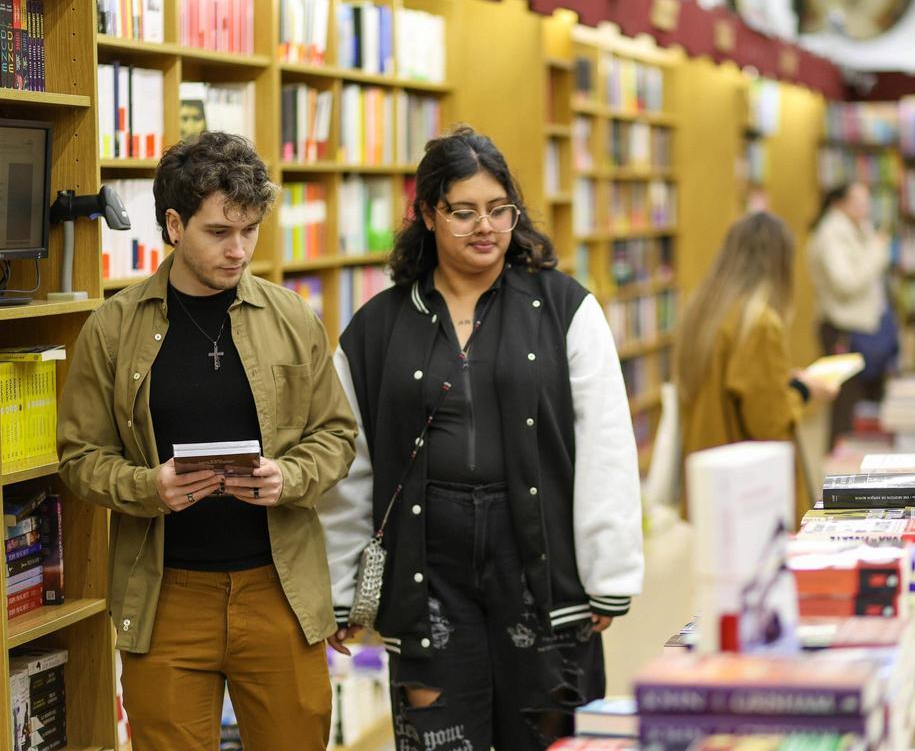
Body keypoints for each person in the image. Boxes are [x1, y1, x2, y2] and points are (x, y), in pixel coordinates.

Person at [319, 126, 643, 751]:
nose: (484, 227)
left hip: (540, 567)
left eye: (499, 210)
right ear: (428, 215)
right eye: (463, 212)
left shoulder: (565, 307)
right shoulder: (375, 328)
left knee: (550, 738)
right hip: (425, 575)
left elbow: (604, 441)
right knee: (442, 739)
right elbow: (352, 465)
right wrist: (341, 590)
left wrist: (610, 570)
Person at [57, 132, 358, 748]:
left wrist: (289, 476)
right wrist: (149, 487)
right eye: (219, 232)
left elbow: (336, 435)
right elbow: (79, 458)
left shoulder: (292, 317)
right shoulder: (113, 328)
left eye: (249, 231)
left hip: (280, 589)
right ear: (173, 223)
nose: (239, 250)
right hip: (165, 594)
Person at [676, 211, 837, 522]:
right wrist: (803, 390)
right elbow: (769, 423)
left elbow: (730, 388)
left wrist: (782, 380)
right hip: (751, 495)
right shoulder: (760, 323)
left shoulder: (704, 314)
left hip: (708, 482)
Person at [806, 182, 893, 449]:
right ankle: (839, 472)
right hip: (844, 329)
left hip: (865, 328)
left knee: (865, 409)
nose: (864, 208)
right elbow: (846, 284)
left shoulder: (859, 230)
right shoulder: (831, 234)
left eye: (867, 201)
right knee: (845, 407)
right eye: (857, 202)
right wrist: (876, 251)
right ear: (838, 203)